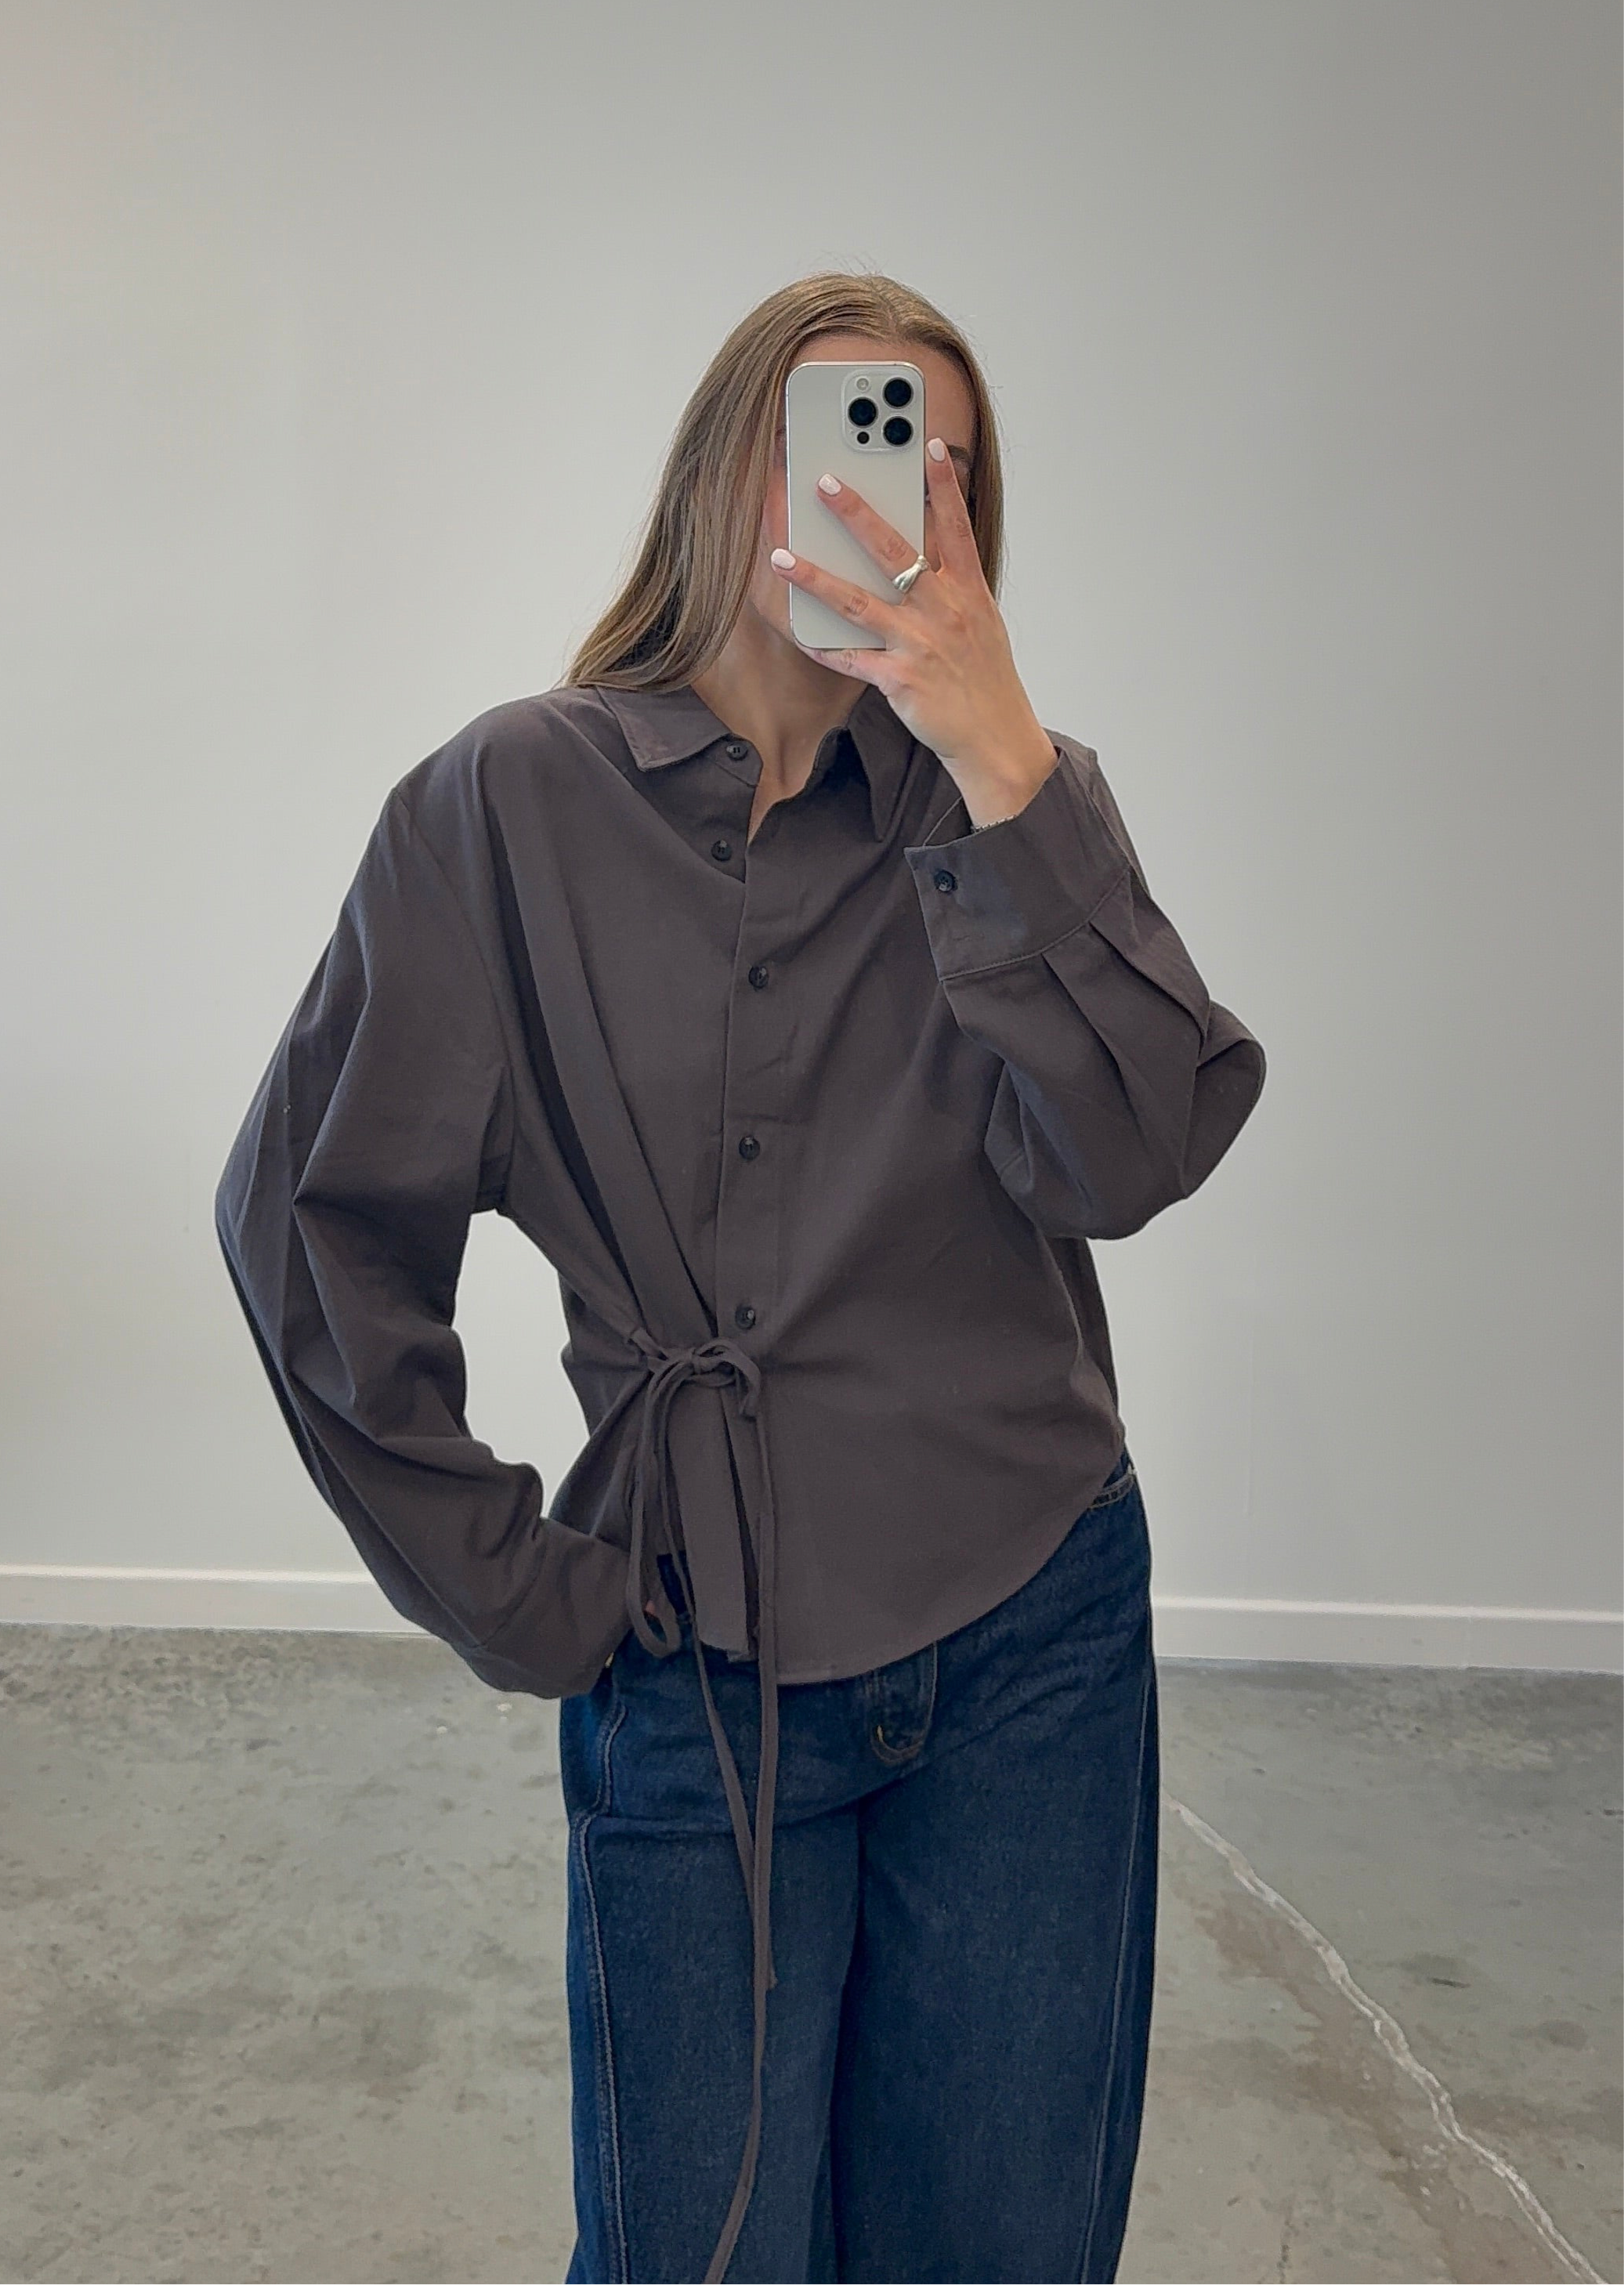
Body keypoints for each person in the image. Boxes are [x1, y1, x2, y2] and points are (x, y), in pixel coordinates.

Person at [215, 269, 1266, 2285]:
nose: (900, 499)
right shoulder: (502, 805)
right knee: (701, 2251)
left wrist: (1004, 772)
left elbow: (1133, 1155)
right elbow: (311, 1225)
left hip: (1032, 1637)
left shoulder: (1016, 807)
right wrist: (522, 1592)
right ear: (733, 479)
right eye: (856, 444)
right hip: (693, 1660)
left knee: (1003, 2245)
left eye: (944, 475)